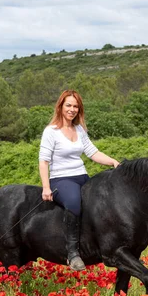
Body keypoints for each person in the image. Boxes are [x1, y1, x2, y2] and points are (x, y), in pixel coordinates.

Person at [38, 90, 119, 271]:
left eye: (76, 106)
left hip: (82, 176)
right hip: (61, 179)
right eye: (68, 105)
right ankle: (72, 253)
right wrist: (45, 187)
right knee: (74, 203)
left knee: (100, 202)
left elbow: (92, 152)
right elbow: (43, 161)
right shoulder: (51, 131)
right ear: (60, 107)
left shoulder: (79, 129)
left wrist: (113, 161)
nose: (72, 109)